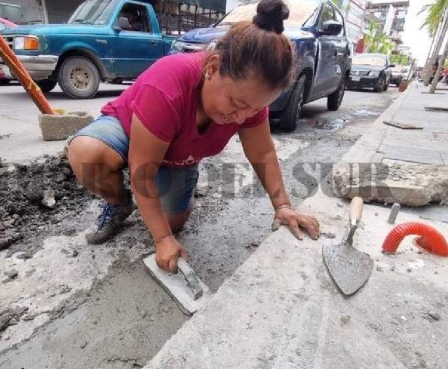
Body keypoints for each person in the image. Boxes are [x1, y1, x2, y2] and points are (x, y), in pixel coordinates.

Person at [65, 0, 321, 272]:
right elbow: (142, 168)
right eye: (235, 104)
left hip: (177, 154)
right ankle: (118, 203)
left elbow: (262, 153)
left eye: (255, 109)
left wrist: (282, 205)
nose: (241, 118)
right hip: (130, 131)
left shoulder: (248, 100)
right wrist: (162, 239)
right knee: (88, 155)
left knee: (172, 221)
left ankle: (170, 182)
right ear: (212, 68)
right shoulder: (167, 84)